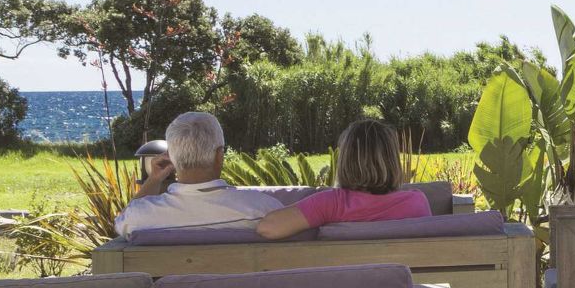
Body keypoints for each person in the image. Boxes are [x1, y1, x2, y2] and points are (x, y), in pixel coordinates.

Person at [256, 118, 431, 239]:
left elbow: (267, 227)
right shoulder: (416, 202)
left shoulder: (332, 203)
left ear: (345, 161)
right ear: (392, 161)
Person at [114, 111, 283, 236]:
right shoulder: (265, 210)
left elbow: (122, 222)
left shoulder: (139, 217)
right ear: (219, 156)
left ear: (171, 157)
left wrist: (153, 180)